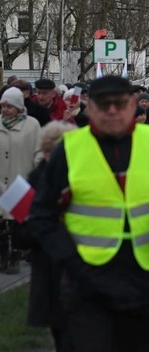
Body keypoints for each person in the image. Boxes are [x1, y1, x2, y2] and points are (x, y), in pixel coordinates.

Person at [28, 76, 149, 352]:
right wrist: (70, 258)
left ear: (132, 105)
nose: (112, 111)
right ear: (89, 107)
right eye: (103, 104)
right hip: (87, 281)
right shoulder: (69, 149)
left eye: (119, 104)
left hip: (145, 278)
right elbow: (41, 215)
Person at [16, 120, 76, 352]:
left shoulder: (85, 179)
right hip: (48, 266)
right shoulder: (33, 181)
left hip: (81, 266)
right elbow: (20, 236)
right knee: (60, 329)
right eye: (53, 151)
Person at [0, 87, 41, 274]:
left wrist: (38, 172)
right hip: (1, 182)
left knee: (17, 224)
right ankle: (3, 257)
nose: (5, 109)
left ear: (18, 106)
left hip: (21, 180)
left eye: (9, 106)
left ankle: (16, 257)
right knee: (1, 224)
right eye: (3, 106)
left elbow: (38, 151)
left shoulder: (31, 125)